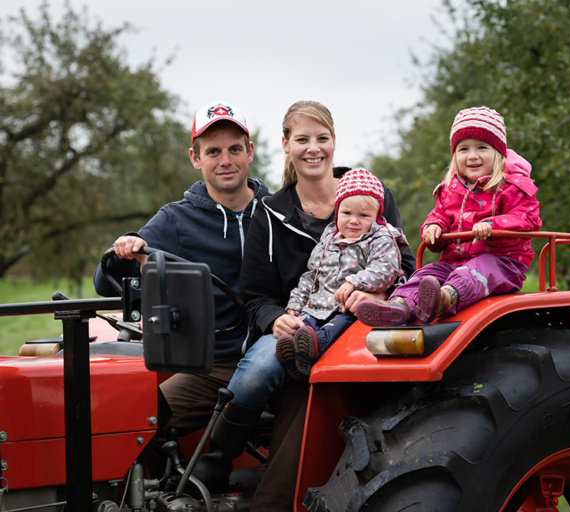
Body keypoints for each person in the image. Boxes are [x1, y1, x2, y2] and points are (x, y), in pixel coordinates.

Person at [193, 100, 415, 510]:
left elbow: (402, 261)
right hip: (301, 321)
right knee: (259, 368)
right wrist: (276, 319)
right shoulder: (269, 214)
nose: (313, 149)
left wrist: (378, 292)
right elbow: (256, 296)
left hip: (355, 319)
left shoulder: (371, 193)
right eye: (302, 140)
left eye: (322, 138)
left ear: (334, 142)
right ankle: (219, 455)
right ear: (285, 145)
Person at [93, 101, 269, 442]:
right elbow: (107, 284)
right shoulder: (175, 220)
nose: (226, 161)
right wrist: (124, 249)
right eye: (213, 151)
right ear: (195, 158)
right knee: (129, 427)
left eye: (235, 149)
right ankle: (167, 491)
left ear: (250, 152)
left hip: (276, 354)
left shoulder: (277, 212)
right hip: (212, 366)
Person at [356, 106, 541, 327]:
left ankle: (442, 300)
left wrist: (492, 224)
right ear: (455, 155)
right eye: (463, 149)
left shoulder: (512, 186)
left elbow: (527, 219)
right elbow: (440, 214)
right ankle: (399, 306)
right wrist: (434, 227)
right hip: (455, 262)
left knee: (473, 272)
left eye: (482, 147)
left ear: (498, 153)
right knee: (427, 274)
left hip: (502, 262)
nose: (472, 156)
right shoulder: (450, 189)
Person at [278, 167, 407, 380]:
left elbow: (386, 269)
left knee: (337, 325)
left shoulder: (381, 238)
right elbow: (311, 276)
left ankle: (314, 348)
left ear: (377, 217)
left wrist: (354, 282)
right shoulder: (329, 238)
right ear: (337, 212)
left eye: (364, 215)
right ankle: (295, 357)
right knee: (301, 324)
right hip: (318, 306)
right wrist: (295, 304)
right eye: (347, 213)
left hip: (348, 308)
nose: (354, 221)